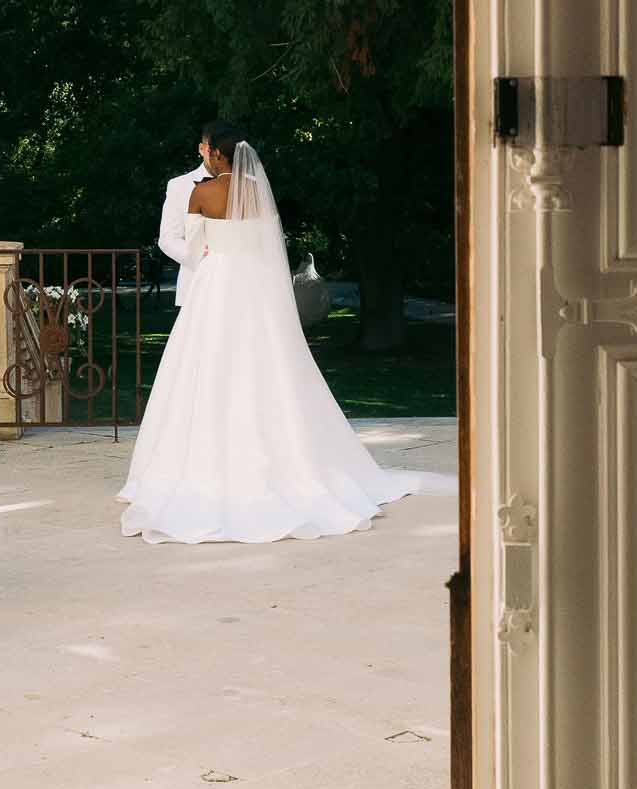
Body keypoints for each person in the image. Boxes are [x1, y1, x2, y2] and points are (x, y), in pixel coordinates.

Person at [120, 126, 442, 543]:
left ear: (217, 154)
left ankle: (200, 461)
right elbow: (267, 244)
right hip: (254, 284)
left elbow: (199, 244)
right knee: (262, 363)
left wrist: (215, 255)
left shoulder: (201, 192)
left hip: (216, 281)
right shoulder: (257, 190)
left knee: (207, 365)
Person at [155, 126, 219, 307]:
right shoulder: (179, 186)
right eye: (212, 150)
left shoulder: (247, 186)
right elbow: (167, 239)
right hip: (195, 286)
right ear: (202, 149)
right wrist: (198, 256)